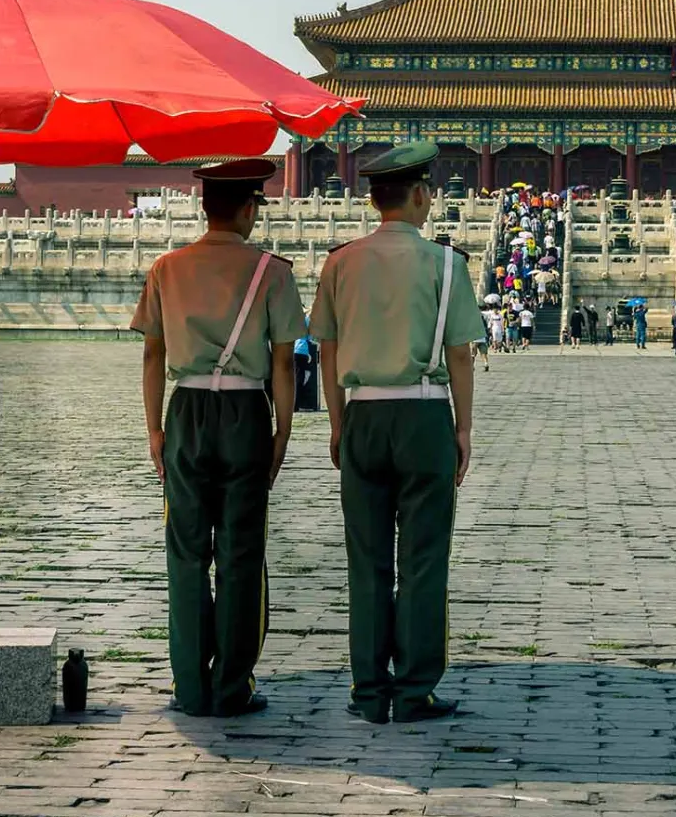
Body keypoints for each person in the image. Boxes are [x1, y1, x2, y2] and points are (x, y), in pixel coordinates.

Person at [311, 141, 482, 725]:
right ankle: (414, 690)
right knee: (425, 557)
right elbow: (460, 353)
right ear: (417, 195)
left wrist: (338, 424)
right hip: (424, 412)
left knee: (367, 558)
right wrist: (463, 429)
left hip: (361, 413)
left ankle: (368, 690)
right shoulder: (445, 262)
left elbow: (326, 348)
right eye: (428, 191)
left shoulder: (340, 262)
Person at [133, 158, 303, 718]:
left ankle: (189, 684)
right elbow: (283, 363)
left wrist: (155, 428)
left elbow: (153, 354)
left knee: (185, 551)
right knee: (240, 550)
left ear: (205, 207)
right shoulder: (271, 272)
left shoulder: (166, 268)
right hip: (245, 410)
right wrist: (282, 430)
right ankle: (232, 684)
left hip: (185, 409)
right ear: (250, 208)